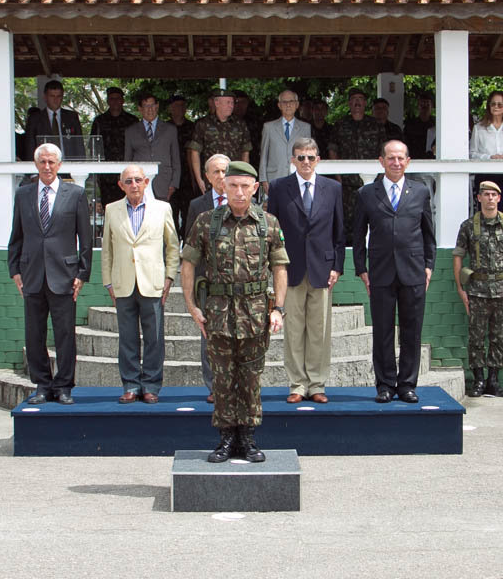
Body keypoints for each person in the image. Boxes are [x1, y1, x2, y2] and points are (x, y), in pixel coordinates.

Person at [180, 161, 289, 463]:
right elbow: (187, 263)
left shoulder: (268, 223)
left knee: (252, 377)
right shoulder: (206, 222)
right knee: (223, 379)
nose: (239, 192)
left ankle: (249, 437)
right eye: (233, 186)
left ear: (255, 189)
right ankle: (226, 438)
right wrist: (191, 306)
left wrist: (278, 308)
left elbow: (280, 268)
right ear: (223, 187)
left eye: (245, 187)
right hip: (218, 314)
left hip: (255, 314)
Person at [8, 143, 93, 405]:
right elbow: (17, 235)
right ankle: (43, 385)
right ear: (36, 164)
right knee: (34, 334)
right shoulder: (23, 194)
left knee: (65, 333)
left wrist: (82, 272)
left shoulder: (75, 194)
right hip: (31, 274)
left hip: (64, 275)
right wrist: (14, 270)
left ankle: (64, 385)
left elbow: (86, 238)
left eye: (51, 162)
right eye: (42, 162)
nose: (47, 167)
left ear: (59, 165)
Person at [354, 140, 436, 404]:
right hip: (380, 272)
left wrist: (429, 265)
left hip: (413, 271)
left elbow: (428, 233)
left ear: (408, 161)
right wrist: (361, 268)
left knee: (412, 330)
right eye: (391, 158)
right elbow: (358, 235)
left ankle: (407, 385)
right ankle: (386, 385)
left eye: (401, 158)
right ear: (382, 161)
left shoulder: (420, 191)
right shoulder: (367, 193)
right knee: (383, 330)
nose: (396, 163)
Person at [267, 137, 345, 404]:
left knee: (319, 330)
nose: (306, 162)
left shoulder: (333, 188)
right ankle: (297, 384)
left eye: (311, 157)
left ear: (318, 160)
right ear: (293, 160)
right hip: (290, 269)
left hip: (323, 269)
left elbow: (339, 231)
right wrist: (275, 265)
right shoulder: (279, 188)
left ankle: (317, 383)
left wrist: (337, 266)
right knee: (294, 329)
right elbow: (272, 231)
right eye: (301, 157)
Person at [102, 164, 180, 403]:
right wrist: (108, 283)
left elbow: (173, 246)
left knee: (154, 338)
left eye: (138, 180)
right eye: (129, 181)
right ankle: (131, 385)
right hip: (123, 283)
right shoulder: (112, 210)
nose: (134, 185)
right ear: (121, 185)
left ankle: (151, 386)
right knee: (127, 338)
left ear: (146, 182)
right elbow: (107, 249)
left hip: (153, 282)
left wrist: (169, 278)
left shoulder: (162, 208)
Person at [454, 181, 503, 399]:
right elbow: (458, 256)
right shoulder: (468, 226)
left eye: (494, 194)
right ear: (479, 198)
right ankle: (479, 379)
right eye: (486, 194)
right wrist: (460, 288)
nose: (490, 198)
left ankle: (493, 379)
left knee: (498, 336)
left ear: (499, 198)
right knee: (476, 337)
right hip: (477, 290)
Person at [183, 153, 232, 402]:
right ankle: (214, 387)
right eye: (216, 172)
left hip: (236, 281)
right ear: (207, 176)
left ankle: (234, 385)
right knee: (209, 337)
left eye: (225, 171)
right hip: (207, 283)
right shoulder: (196, 206)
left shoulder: (243, 200)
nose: (221, 176)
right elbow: (190, 248)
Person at [328, 88, 388, 242]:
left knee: (373, 218)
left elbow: (384, 151)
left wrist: (381, 176)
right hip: (347, 184)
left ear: (365, 103)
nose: (357, 102)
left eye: (360, 98)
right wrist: (338, 177)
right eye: (354, 99)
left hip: (372, 183)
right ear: (349, 103)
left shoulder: (375, 125)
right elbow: (333, 151)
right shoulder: (341, 125)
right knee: (348, 222)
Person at [187, 88, 251, 196]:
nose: (231, 106)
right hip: (211, 179)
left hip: (233, 178)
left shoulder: (240, 124)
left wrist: (244, 177)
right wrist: (199, 179)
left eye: (232, 103)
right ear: (217, 103)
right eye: (228, 102)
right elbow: (194, 152)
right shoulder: (203, 124)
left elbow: (245, 153)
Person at [470, 91, 503, 218]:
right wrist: (489, 157)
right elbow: (472, 153)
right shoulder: (479, 127)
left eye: (500, 104)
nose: (496, 107)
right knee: (486, 212)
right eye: (493, 104)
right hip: (485, 175)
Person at [123, 91, 180, 202]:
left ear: (157, 106)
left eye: (153, 105)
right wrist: (128, 184)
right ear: (140, 108)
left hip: (164, 184)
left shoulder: (170, 129)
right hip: (139, 184)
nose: (150, 109)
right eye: (146, 106)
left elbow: (176, 159)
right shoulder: (131, 131)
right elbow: (127, 161)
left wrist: (174, 184)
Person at [259, 89, 312, 191]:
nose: (288, 105)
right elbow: (264, 154)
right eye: (284, 102)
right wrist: (263, 179)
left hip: (298, 177)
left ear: (297, 105)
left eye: (291, 101)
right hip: (274, 178)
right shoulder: (269, 127)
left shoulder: (305, 128)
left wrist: (308, 177)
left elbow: (308, 155)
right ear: (279, 105)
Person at [23, 80, 84, 161]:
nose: (55, 100)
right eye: (52, 96)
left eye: (58, 96)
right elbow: (30, 147)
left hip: (69, 165)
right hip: (45, 166)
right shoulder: (35, 119)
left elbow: (79, 145)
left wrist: (80, 166)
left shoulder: (72, 117)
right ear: (45, 97)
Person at [165, 94, 197, 231]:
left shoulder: (193, 127)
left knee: (188, 216)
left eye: (183, 105)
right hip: (170, 179)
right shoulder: (164, 128)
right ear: (170, 108)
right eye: (177, 105)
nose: (180, 108)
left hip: (187, 179)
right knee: (170, 216)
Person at [404, 91, 436, 161]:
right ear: (418, 106)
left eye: (427, 105)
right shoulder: (410, 124)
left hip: (432, 161)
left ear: (432, 106)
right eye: (422, 105)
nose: (424, 107)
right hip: (413, 160)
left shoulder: (437, 124)